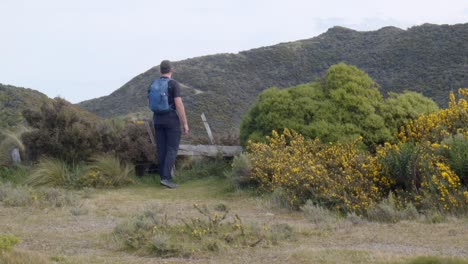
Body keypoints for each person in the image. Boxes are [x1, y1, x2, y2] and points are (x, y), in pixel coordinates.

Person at [148, 60, 189, 188]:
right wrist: (185, 123)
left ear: (160, 70)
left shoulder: (153, 84)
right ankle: (166, 178)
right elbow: (179, 104)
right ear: (171, 69)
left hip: (157, 119)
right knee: (172, 149)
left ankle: (163, 177)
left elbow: (150, 102)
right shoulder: (173, 84)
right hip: (170, 119)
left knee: (161, 149)